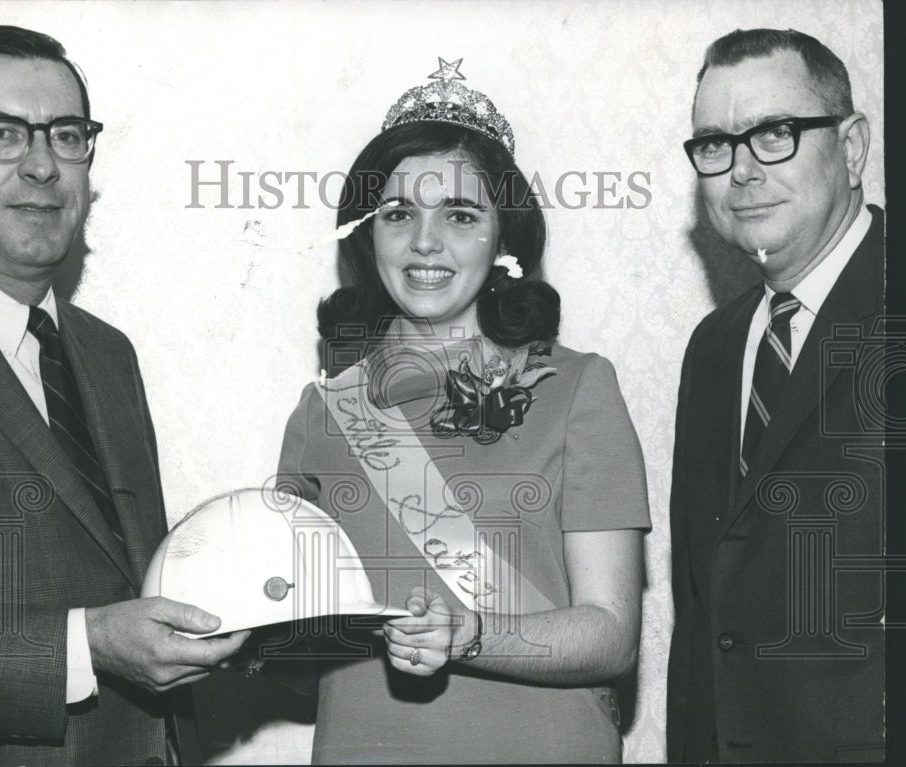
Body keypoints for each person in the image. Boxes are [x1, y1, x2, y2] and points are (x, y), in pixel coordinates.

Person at [274, 58, 651, 763]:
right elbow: (299, 673)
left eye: (459, 214)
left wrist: (468, 633)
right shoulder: (322, 411)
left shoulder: (577, 389)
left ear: (502, 238)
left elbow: (610, 635)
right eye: (397, 214)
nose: (425, 242)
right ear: (367, 233)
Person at [0, 26, 247, 765]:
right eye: (3, 134)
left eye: (66, 135)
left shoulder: (104, 351)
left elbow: (124, 579)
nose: (42, 165)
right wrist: (84, 644)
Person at [668, 29, 884, 763]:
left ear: (852, 147)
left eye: (776, 135)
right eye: (716, 145)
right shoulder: (716, 346)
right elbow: (703, 611)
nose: (743, 172)